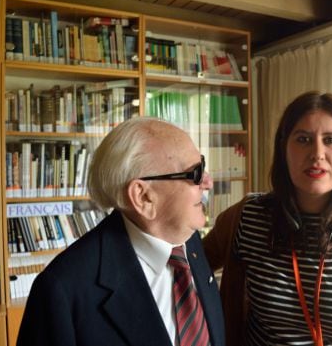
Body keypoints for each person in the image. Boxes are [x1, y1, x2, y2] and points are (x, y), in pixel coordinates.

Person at [203, 91, 332, 346]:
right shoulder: (247, 216)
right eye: (303, 139)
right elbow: (188, 267)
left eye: (331, 140)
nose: (317, 153)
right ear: (284, 148)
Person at [17, 117, 225, 346]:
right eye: (195, 173)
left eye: (202, 165)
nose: (208, 182)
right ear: (143, 197)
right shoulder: (62, 291)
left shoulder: (189, 240)